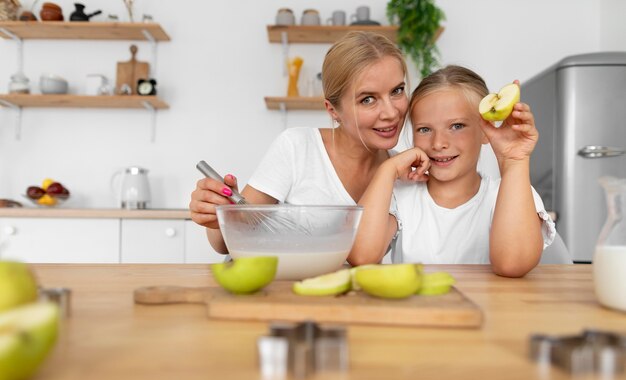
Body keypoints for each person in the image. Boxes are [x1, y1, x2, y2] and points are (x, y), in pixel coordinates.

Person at [190, 31, 412, 254]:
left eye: (397, 91)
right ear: (333, 110)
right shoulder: (298, 147)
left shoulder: (405, 170)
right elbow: (225, 243)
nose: (391, 112)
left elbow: (367, 255)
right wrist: (218, 214)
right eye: (368, 99)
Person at [348, 65, 555, 277]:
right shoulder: (400, 197)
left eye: (456, 126)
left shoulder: (510, 194)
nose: (438, 143)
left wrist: (514, 161)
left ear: (486, 131)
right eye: (425, 129)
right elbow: (361, 256)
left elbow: (512, 265)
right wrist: (387, 169)